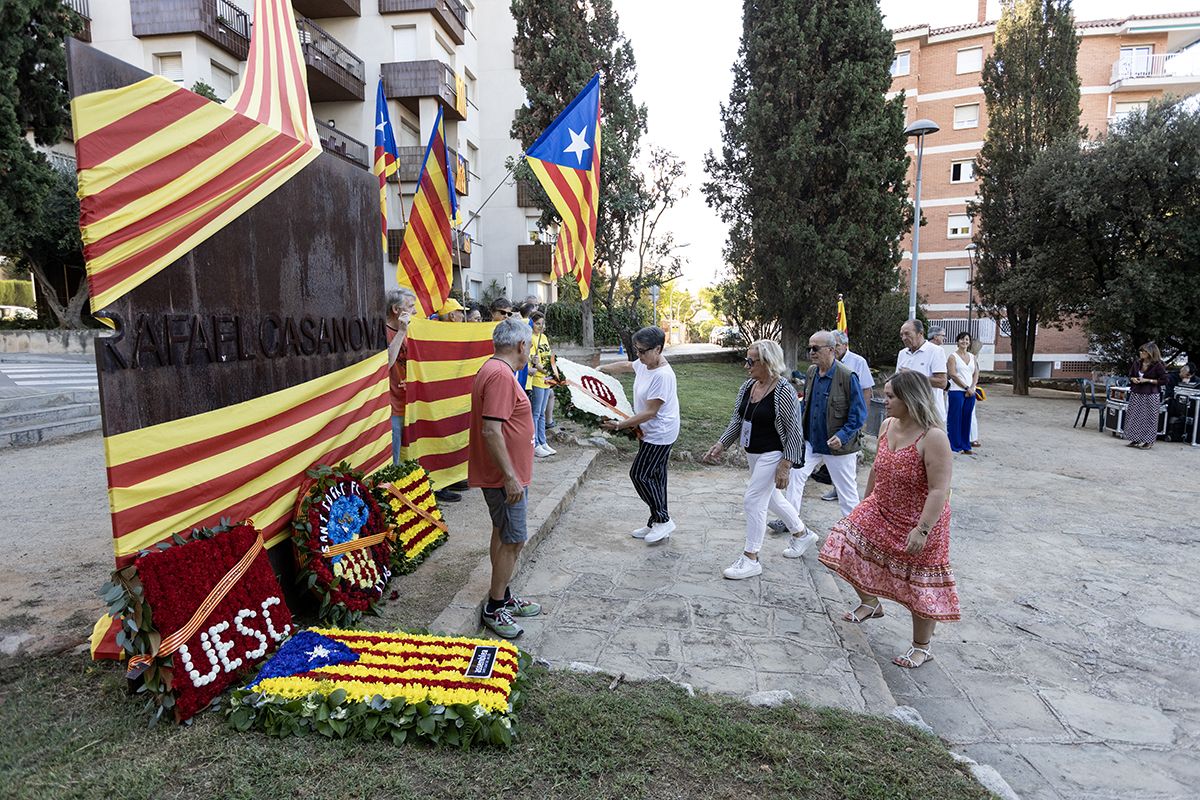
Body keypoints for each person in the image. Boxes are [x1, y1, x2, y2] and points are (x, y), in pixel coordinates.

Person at [818, 370, 958, 669]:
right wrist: (865, 504)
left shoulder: (933, 437)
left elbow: (938, 490)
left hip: (921, 519)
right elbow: (877, 470)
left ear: (911, 399)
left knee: (919, 584)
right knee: (843, 542)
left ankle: (922, 646)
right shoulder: (886, 425)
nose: (885, 400)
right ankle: (871, 603)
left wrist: (921, 530)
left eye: (892, 396)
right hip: (882, 506)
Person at [703, 340, 806, 579]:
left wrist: (785, 464)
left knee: (753, 499)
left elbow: (794, 431)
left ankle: (751, 558)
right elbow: (737, 420)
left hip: (774, 453)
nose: (745, 365)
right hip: (753, 451)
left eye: (751, 361)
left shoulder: (784, 390)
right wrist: (722, 443)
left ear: (767, 362)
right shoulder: (748, 386)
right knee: (771, 498)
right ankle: (801, 533)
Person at [468, 317, 541, 638]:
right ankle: (495, 607)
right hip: (503, 477)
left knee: (503, 532)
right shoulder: (499, 375)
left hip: (505, 474)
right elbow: (491, 429)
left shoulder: (497, 371)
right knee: (514, 539)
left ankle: (503, 594)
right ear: (521, 346)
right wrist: (510, 477)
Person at [779, 331, 866, 557]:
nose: (810, 353)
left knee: (847, 494)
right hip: (811, 442)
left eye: (815, 348)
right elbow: (806, 405)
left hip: (838, 448)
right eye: (809, 348)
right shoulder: (811, 372)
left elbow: (859, 415)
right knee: (795, 479)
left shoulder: (847, 376)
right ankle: (796, 532)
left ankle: (855, 542)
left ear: (831, 349)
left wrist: (843, 435)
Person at [599, 327, 680, 544]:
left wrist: (619, 425)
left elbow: (650, 412)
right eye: (637, 350)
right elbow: (627, 365)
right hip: (650, 430)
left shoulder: (663, 375)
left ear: (658, 349)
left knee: (640, 475)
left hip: (660, 433)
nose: (639, 356)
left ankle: (663, 519)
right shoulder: (645, 363)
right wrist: (601, 369)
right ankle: (657, 521)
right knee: (657, 476)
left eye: (643, 351)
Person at [818, 331, 874, 504]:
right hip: (830, 420)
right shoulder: (822, 365)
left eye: (837, 345)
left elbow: (866, 390)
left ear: (845, 345)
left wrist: (861, 419)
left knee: (847, 460)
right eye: (832, 346)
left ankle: (844, 493)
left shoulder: (857, 362)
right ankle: (836, 489)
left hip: (850, 419)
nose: (834, 349)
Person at [896, 319, 948, 422]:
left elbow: (942, 382)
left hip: (930, 414)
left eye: (907, 334)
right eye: (901, 335)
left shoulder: (935, 351)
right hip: (908, 413)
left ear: (920, 333)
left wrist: (912, 376)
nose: (904, 338)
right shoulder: (902, 353)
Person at [527, 310, 561, 458]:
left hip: (547, 379)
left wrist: (553, 372)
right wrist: (546, 371)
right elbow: (535, 361)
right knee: (536, 413)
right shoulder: (531, 338)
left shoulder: (544, 337)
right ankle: (535, 444)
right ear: (531, 324)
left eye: (542, 323)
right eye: (537, 324)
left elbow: (548, 357)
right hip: (538, 380)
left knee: (542, 413)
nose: (540, 326)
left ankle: (543, 440)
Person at [1125, 341, 1169, 450]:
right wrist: (1133, 379)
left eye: (1144, 351)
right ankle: (1135, 439)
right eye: (1141, 351)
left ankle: (1148, 441)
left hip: (1151, 394)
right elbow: (1130, 375)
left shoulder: (1158, 365)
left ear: (1150, 353)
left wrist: (1148, 380)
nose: (1141, 353)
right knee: (1135, 416)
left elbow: (1164, 380)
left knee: (1150, 417)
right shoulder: (1137, 363)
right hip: (1137, 393)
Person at [945, 331, 979, 454]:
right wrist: (966, 387)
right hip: (957, 391)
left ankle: (966, 445)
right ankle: (954, 446)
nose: (964, 342)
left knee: (967, 418)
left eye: (967, 340)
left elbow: (976, 373)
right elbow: (953, 374)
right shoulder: (952, 357)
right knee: (955, 419)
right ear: (957, 341)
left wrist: (972, 387)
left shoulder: (972, 357)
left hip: (970, 392)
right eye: (962, 339)